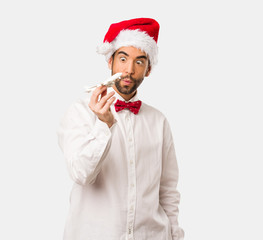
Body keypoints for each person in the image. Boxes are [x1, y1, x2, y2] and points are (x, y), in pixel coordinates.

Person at [58, 17, 184, 240]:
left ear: (148, 69)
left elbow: (168, 190)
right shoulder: (80, 111)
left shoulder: (159, 121)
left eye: (139, 61)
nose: (129, 70)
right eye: (123, 58)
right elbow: (81, 174)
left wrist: (175, 235)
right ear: (110, 61)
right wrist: (103, 124)